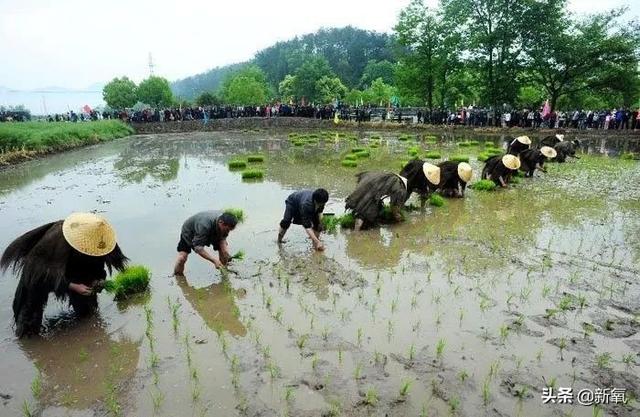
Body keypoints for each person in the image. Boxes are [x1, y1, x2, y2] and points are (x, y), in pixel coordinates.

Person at [0, 213, 128, 337]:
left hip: (74, 270)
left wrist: (98, 281)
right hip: (40, 275)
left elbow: (99, 265)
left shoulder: (102, 238)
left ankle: (87, 332)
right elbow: (43, 277)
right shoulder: (54, 240)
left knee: (88, 314)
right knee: (28, 324)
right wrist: (73, 286)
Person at [174, 211, 238, 276]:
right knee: (182, 258)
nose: (227, 232)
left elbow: (223, 239)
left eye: (230, 230)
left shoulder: (224, 222)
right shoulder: (204, 225)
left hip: (213, 230)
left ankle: (224, 273)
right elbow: (198, 248)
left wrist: (226, 252)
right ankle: (178, 277)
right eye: (227, 230)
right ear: (221, 222)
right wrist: (214, 260)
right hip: (190, 233)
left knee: (223, 252)